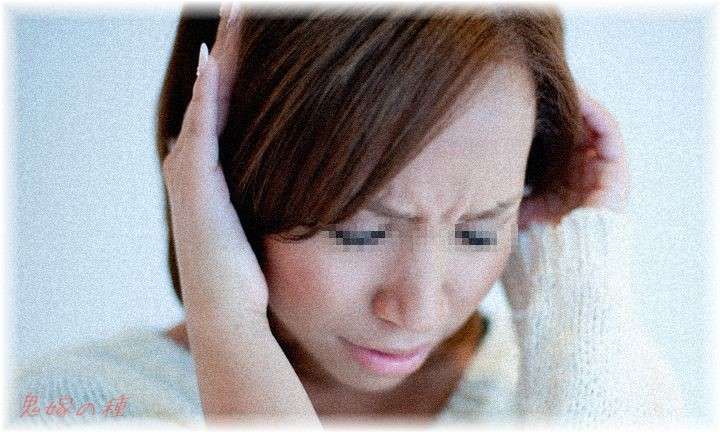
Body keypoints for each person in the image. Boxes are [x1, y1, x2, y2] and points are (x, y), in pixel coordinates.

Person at [10, 2, 684, 428]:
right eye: (359, 232)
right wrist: (230, 329)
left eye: (479, 231)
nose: (417, 309)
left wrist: (573, 283)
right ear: (227, 179)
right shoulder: (77, 405)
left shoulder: (592, 383)